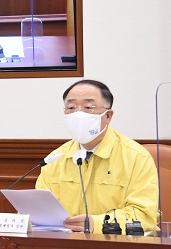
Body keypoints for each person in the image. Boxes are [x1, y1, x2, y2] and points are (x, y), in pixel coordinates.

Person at [36, 79, 159, 233]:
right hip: (65, 246)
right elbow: (40, 211)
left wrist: (97, 223)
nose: (78, 114)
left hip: (119, 248)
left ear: (108, 116)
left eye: (88, 107)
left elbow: (144, 215)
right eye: (71, 107)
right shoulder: (55, 159)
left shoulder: (136, 157)